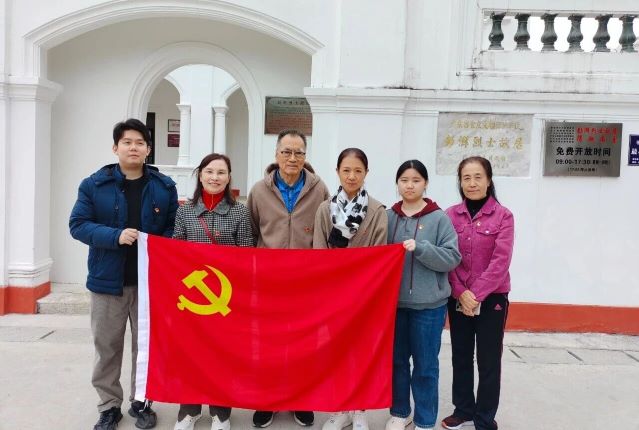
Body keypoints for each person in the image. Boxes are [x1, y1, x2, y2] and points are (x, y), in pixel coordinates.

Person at [69, 118, 178, 430]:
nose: (134, 147)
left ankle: (142, 402)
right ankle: (109, 406)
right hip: (107, 282)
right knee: (107, 347)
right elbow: (78, 225)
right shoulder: (94, 185)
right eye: (127, 142)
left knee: (145, 347)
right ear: (115, 147)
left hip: (149, 283)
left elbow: (173, 227)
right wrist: (115, 236)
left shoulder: (164, 186)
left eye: (140, 143)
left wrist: (158, 244)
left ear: (148, 149)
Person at [246, 128, 330, 428]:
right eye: (286, 152)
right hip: (269, 282)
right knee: (268, 344)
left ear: (305, 156)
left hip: (306, 282)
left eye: (298, 153)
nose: (292, 158)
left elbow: (326, 229)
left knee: (304, 345)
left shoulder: (319, 190)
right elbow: (253, 231)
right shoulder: (259, 191)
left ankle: (300, 400)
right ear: (276, 154)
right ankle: (267, 401)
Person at [172, 153, 255, 430]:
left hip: (226, 298)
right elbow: (175, 250)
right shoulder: (185, 211)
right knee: (190, 353)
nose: (215, 177)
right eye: (209, 171)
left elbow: (246, 253)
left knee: (222, 355)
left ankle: (221, 412)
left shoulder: (240, 212)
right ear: (200, 175)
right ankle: (189, 410)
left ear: (229, 178)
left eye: (221, 173)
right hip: (194, 298)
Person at [313, 148, 387, 430]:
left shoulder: (377, 210)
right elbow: (319, 253)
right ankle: (340, 408)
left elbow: (378, 255)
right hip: (333, 294)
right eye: (346, 170)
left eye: (358, 171)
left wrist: (360, 283)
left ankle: (359, 411)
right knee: (336, 353)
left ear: (366, 173)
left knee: (362, 352)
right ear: (337, 172)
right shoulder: (325, 209)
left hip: (365, 294)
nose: (352, 176)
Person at [385, 160, 461, 430]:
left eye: (416, 180)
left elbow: (452, 258)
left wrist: (421, 248)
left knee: (426, 366)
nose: (410, 185)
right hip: (394, 306)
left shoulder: (439, 218)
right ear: (397, 183)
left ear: (425, 183)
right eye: (404, 180)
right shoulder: (388, 217)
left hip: (430, 307)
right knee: (397, 362)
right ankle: (399, 412)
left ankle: (425, 420)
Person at [441, 157, 514, 430]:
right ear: (460, 182)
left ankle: (484, 418)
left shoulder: (503, 216)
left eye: (478, 177)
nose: (472, 183)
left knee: (488, 359)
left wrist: (476, 294)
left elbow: (501, 261)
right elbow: (448, 257)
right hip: (458, 296)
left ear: (489, 180)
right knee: (461, 355)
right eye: (466, 178)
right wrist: (461, 292)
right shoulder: (450, 215)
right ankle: (463, 410)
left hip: (492, 298)